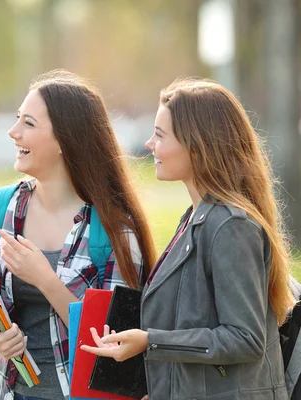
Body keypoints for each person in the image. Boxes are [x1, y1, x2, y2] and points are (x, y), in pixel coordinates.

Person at [81, 78, 294, 400]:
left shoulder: (231, 226)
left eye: (160, 135)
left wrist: (150, 340)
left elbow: (244, 338)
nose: (150, 144)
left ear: (197, 145)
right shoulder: (195, 218)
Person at [0, 70, 157, 400]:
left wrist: (45, 280)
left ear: (65, 140)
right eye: (18, 119)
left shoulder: (115, 229)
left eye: (28, 124)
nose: (12, 132)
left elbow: (115, 342)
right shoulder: (2, 209)